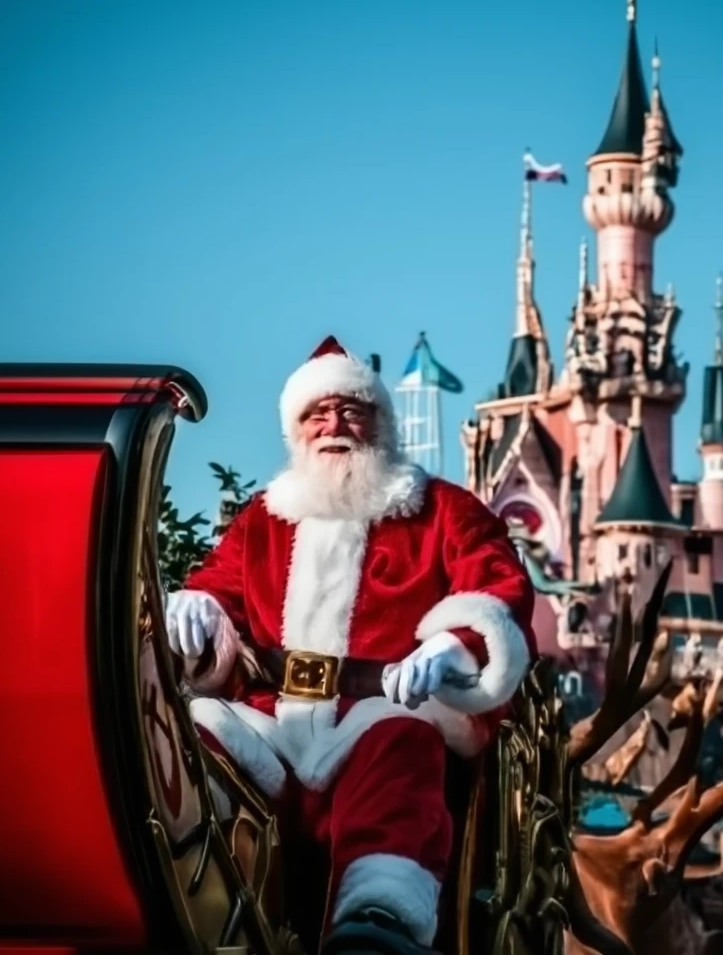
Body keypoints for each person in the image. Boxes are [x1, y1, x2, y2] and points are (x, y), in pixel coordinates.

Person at [164, 336, 535, 954]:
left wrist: (456, 645)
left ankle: (379, 921)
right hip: (270, 719)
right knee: (194, 734)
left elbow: (499, 588)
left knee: (404, 746)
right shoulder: (264, 518)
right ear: (297, 432)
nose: (334, 425)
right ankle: (192, 903)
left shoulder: (442, 509)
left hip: (379, 710)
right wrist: (199, 608)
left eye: (352, 410)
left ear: (381, 424)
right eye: (318, 413)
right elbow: (218, 587)